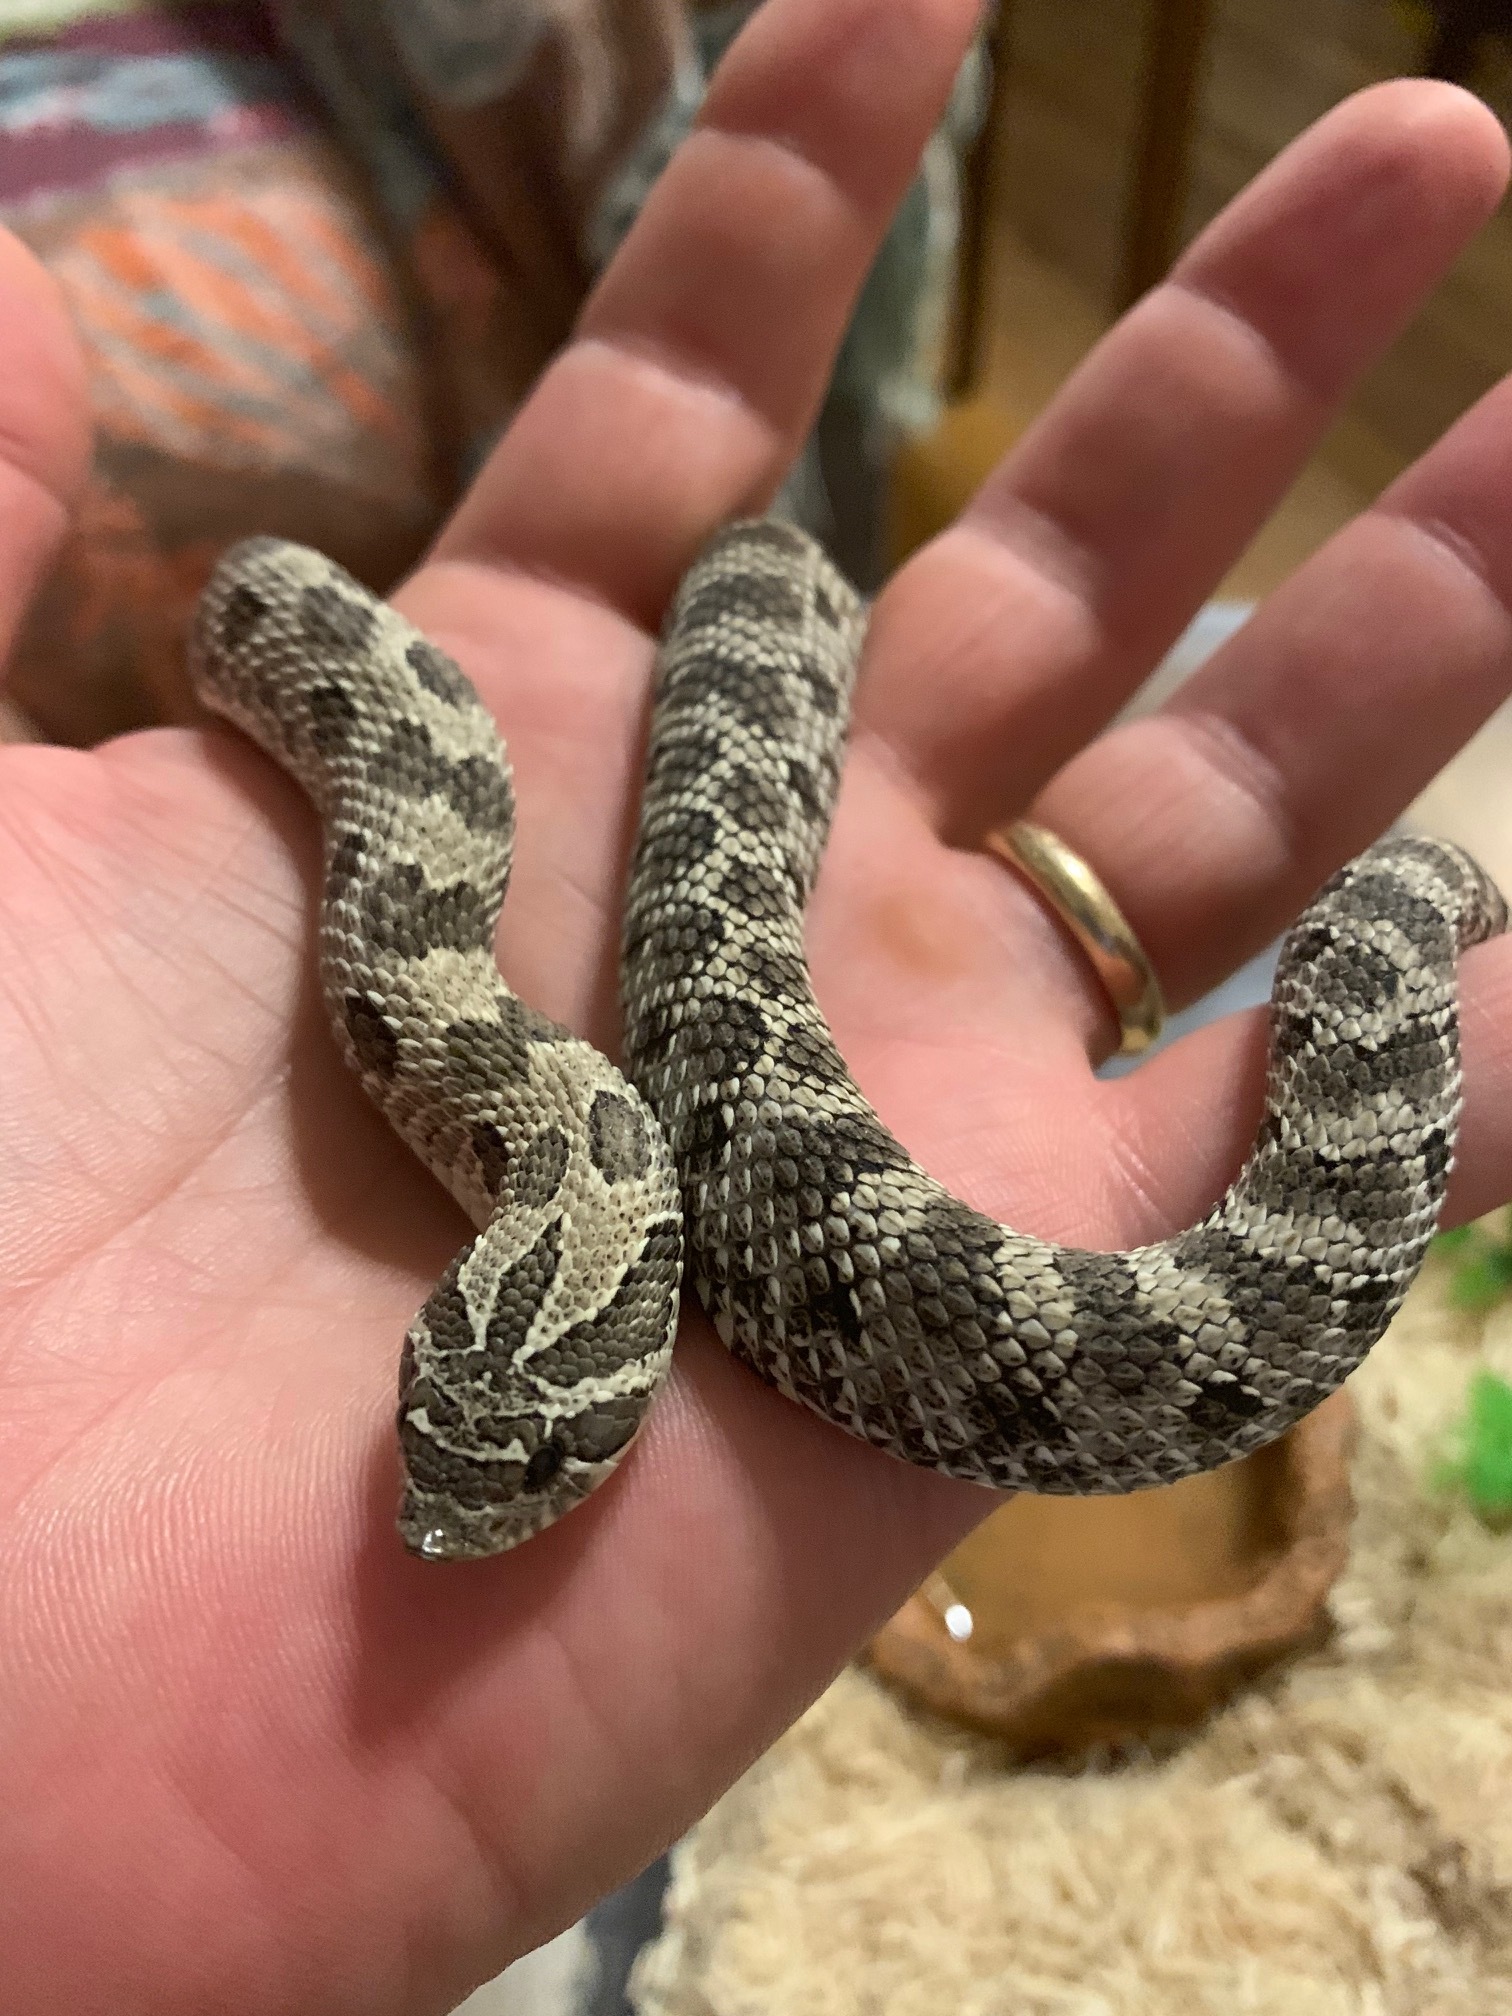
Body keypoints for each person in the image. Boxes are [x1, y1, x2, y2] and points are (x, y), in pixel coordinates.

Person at [1, 1, 1509, 2008]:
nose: (460, 1504)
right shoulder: (519, 1105)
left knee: (772, 584)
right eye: (483, 1437)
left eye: (514, 1450)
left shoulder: (560, 1117)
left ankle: (1391, 886)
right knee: (653, 589)